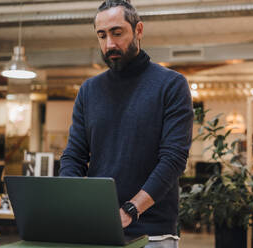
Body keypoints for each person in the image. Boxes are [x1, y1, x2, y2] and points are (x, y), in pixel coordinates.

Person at [59, 0, 193, 247]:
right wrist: (71, 202)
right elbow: (74, 156)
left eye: (117, 32)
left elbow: (173, 160)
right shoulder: (89, 90)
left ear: (139, 30)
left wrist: (132, 209)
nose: (109, 44)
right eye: (102, 35)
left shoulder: (171, 85)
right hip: (99, 230)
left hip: (152, 234)